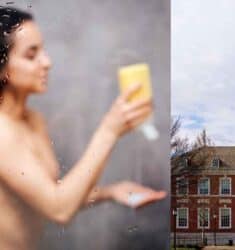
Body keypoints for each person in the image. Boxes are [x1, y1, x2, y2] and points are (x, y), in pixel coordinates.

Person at [0, 7, 166, 250]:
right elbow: (59, 209)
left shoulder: (34, 120)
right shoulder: (2, 133)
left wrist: (112, 191)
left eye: (43, 50)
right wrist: (109, 130)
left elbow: (51, 194)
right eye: (31, 55)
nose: (47, 62)